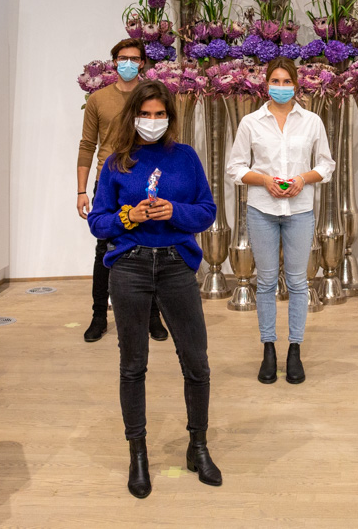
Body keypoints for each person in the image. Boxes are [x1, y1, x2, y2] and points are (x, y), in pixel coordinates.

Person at [88, 79, 220, 498]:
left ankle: (198, 446)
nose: (152, 121)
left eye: (159, 114)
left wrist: (173, 211)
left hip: (177, 266)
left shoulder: (186, 158)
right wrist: (129, 217)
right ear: (133, 117)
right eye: (145, 114)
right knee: (133, 365)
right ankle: (138, 453)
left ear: (169, 117)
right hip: (130, 267)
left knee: (196, 361)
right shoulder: (117, 163)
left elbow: (207, 211)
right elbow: (98, 222)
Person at [226, 57, 335, 384]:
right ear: (266, 84)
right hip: (261, 209)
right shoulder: (251, 122)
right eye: (276, 81)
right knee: (266, 282)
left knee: (299, 283)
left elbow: (326, 165)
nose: (281, 87)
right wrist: (264, 180)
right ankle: (269, 348)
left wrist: (303, 179)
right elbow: (235, 167)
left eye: (287, 82)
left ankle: (295, 349)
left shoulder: (312, 121)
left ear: (296, 85)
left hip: (300, 210)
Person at [76, 38, 167, 343]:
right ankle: (99, 316)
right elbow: (87, 145)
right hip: (108, 180)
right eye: (123, 58)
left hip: (145, 180)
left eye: (135, 58)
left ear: (143, 63)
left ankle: (153, 316)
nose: (128, 63)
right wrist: (81, 191)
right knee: (105, 248)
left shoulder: (151, 97)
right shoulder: (98, 99)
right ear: (114, 61)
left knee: (150, 244)